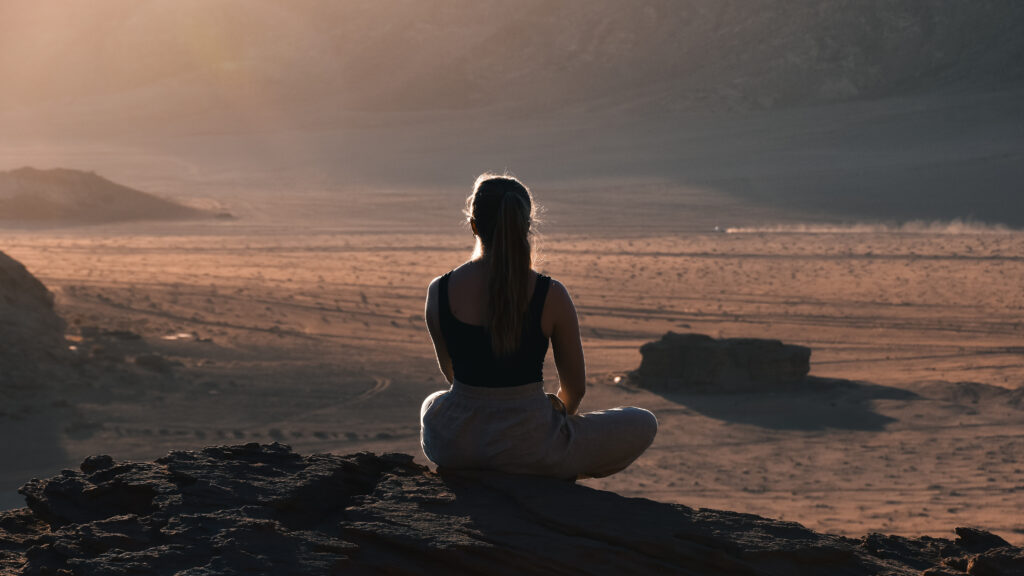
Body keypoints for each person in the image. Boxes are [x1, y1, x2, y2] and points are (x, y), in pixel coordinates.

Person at [420, 173, 657, 480]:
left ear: (474, 226)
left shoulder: (439, 290)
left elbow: (452, 375)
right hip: (531, 447)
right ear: (526, 226)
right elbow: (575, 388)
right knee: (643, 422)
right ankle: (544, 467)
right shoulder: (550, 294)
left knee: (433, 401)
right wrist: (549, 422)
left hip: (457, 445)